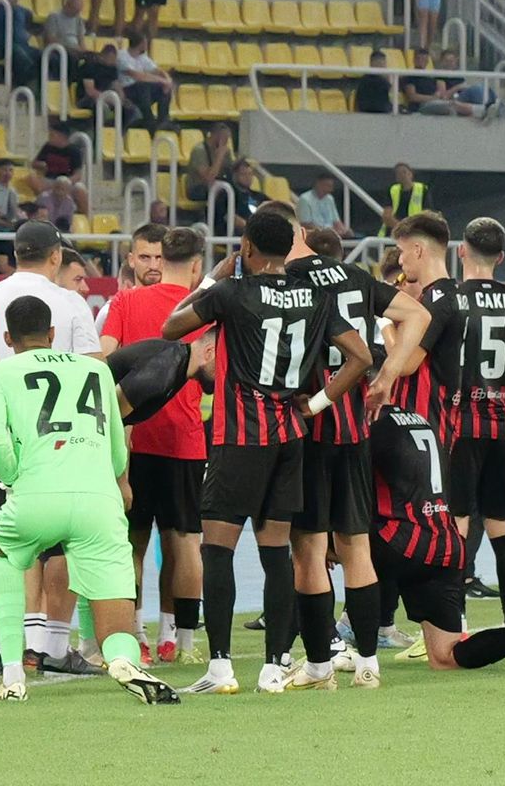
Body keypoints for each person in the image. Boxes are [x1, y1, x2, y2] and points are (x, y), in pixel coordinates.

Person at [162, 210, 374, 695]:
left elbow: (171, 327)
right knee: (277, 551)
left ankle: (220, 669)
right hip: (291, 437)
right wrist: (317, 403)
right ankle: (275, 666)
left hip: (240, 439)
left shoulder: (232, 291)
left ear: (248, 248)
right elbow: (361, 357)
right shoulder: (317, 297)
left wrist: (213, 278)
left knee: (217, 550)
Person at [0, 295, 178, 704]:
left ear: (8, 337)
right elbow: (118, 447)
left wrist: (12, 472)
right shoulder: (96, 369)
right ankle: (121, 657)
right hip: (98, 500)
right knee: (111, 596)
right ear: (52, 335)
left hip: (36, 495)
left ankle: (12, 672)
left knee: (7, 552)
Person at [281, 216, 430, 690]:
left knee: (308, 552)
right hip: (355, 428)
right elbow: (417, 316)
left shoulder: (286, 280)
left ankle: (320, 665)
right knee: (355, 548)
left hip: (309, 425)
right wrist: (387, 378)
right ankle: (368, 663)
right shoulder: (352, 274)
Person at [0, 220, 102, 675]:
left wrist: (0, 451)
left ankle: (16, 646)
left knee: (13, 546)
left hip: (5, 438)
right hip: (64, 443)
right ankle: (51, 644)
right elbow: (94, 374)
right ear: (55, 256)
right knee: (66, 544)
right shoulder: (68, 303)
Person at [368, 406, 505, 671]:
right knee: (444, 658)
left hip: (403, 544)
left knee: (324, 546)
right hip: (446, 545)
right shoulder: (422, 419)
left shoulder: (370, 424)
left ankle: (335, 648)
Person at [100, 227, 202, 665]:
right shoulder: (201, 308)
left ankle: (148, 633)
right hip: (172, 441)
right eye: (145, 257)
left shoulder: (123, 304)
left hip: (136, 440)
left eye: (158, 257)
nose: (153, 265)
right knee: (178, 543)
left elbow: (103, 363)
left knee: (139, 544)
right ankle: (173, 638)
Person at [449, 218, 505, 632]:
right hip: (502, 428)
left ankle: (454, 621)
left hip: (458, 427)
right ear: (501, 258)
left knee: (457, 526)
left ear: (462, 250)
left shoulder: (450, 299)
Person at [389, 211, 465, 449]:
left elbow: (406, 363)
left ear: (418, 250)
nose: (400, 261)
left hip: (428, 422)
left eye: (402, 252)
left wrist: (383, 323)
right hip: (435, 418)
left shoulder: (438, 300)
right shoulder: (448, 295)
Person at [117, 31, 173, 132]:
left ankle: (163, 120)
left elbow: (158, 71)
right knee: (143, 85)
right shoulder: (122, 56)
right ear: (141, 44)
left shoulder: (142, 57)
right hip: (127, 90)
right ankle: (149, 120)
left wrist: (167, 79)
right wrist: (162, 81)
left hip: (143, 90)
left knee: (164, 87)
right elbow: (138, 76)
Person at [27, 122, 88, 214]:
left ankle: (85, 217)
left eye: (52, 135)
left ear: (61, 136)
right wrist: (41, 165)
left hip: (66, 181)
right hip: (49, 180)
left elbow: (78, 175)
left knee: (80, 189)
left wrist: (64, 182)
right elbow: (34, 163)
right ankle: (45, 204)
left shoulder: (74, 151)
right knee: (31, 177)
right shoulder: (48, 147)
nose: (49, 137)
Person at [379, 162, 432, 236]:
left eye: (404, 172)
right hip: (393, 234)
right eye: (398, 173)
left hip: (415, 234)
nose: (402, 175)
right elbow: (387, 216)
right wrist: (403, 228)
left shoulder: (422, 190)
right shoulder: (392, 191)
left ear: (411, 174)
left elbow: (427, 215)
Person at [186, 123, 234, 202]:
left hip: (218, 184)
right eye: (225, 138)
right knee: (222, 194)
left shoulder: (226, 151)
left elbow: (231, 170)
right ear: (215, 135)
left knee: (238, 191)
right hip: (198, 187)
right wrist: (219, 157)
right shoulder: (199, 151)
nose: (226, 141)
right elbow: (208, 178)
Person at [297, 172, 351, 237]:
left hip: (331, 235)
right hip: (314, 236)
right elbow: (305, 224)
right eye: (327, 186)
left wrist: (344, 231)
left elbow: (336, 221)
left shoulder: (330, 199)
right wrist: (326, 231)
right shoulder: (305, 199)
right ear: (318, 184)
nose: (330, 189)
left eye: (331, 186)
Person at [355, 50, 392, 114]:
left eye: (384, 63)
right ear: (372, 63)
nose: (384, 66)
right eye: (380, 63)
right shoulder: (370, 81)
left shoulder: (364, 79)